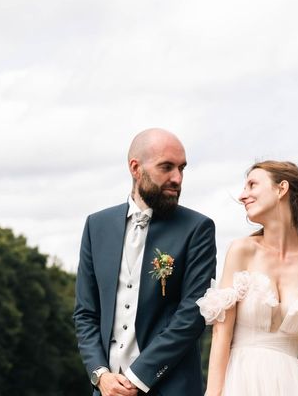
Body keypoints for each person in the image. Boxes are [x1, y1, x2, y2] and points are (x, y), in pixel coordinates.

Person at [74, 128, 217, 396]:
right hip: (106, 390)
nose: (177, 178)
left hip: (171, 387)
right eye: (167, 167)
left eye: (182, 169)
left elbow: (193, 313)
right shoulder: (97, 226)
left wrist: (137, 377)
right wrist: (100, 375)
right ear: (136, 168)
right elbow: (85, 312)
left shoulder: (198, 228)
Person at [197, 161, 298, 396]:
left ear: (281, 189)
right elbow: (221, 333)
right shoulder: (242, 251)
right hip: (240, 381)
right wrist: (213, 393)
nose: (242, 196)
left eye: (252, 185)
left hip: (295, 386)